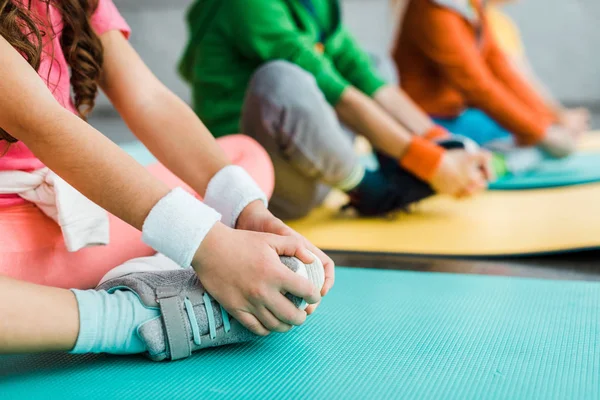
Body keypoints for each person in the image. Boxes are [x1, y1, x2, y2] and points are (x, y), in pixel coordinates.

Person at [0, 0, 333, 360]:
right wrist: (207, 244)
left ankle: (161, 274)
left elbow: (148, 99)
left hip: (68, 219)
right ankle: (137, 316)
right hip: (13, 245)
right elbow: (45, 125)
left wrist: (247, 215)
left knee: (244, 158)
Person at [179, 0, 492, 220]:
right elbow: (338, 95)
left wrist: (444, 145)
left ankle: (396, 168)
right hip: (263, 187)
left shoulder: (319, 4)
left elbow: (362, 74)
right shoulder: (246, 5)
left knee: (372, 63)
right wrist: (433, 164)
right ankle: (371, 190)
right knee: (279, 79)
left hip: (315, 163)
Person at [393, 0, 588, 160]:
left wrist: (548, 122)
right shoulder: (433, 10)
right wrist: (540, 133)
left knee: (523, 136)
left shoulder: (470, 6)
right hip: (429, 121)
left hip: (457, 115)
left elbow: (501, 69)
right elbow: (477, 86)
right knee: (516, 140)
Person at [486, 0, 589, 134]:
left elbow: (523, 78)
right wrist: (558, 117)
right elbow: (516, 79)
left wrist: (558, 116)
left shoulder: (499, 22)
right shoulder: (483, 20)